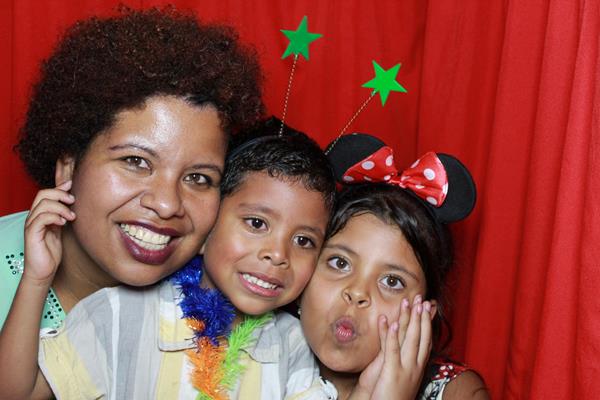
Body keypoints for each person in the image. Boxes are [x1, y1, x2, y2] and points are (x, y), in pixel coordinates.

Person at [0, 6, 263, 399]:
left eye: (198, 178)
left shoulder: (221, 298)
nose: (166, 204)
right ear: (68, 167)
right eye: (136, 162)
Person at [9, 130, 337, 399]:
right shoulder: (119, 312)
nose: (278, 254)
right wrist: (37, 279)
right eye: (256, 223)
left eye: (304, 241)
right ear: (208, 227)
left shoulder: (293, 343)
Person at [299, 133, 490, 399]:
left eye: (392, 281)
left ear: (424, 313)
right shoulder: (253, 358)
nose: (357, 293)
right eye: (340, 263)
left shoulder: (457, 393)